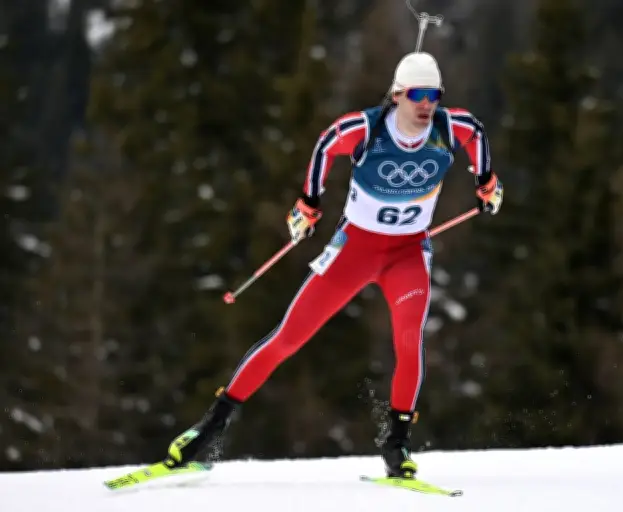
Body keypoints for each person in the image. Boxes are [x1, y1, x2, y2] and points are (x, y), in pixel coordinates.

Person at [164, 51, 504, 479]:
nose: (426, 104)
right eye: (416, 94)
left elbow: (477, 135)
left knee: (409, 341)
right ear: (397, 94)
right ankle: (207, 430)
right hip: (354, 253)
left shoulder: (450, 127)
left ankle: (397, 444)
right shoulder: (367, 128)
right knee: (288, 338)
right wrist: (308, 203)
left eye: (433, 95)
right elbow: (326, 143)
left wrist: (486, 182)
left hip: (407, 254)